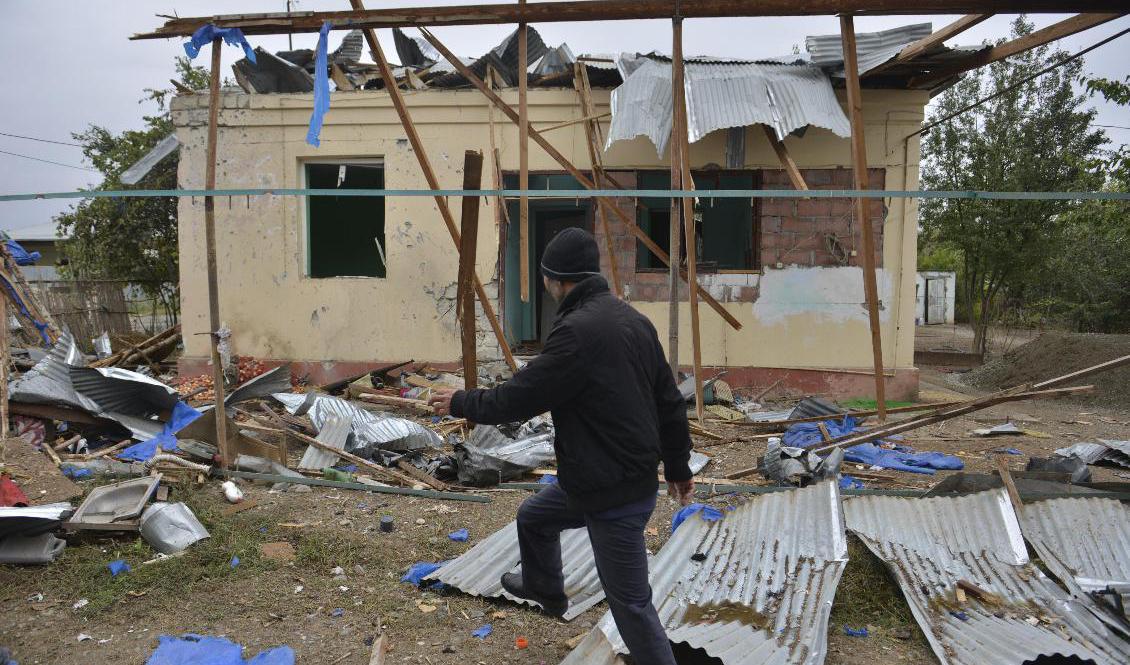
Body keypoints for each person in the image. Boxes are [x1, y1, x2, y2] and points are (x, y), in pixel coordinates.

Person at [429, 227, 693, 665]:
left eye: (546, 278)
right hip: (598, 480)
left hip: (614, 494)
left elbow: (519, 398)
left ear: (557, 280)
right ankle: (545, 588)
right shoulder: (634, 321)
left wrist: (461, 400)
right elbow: (670, 403)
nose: (545, 286)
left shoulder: (575, 334)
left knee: (630, 605)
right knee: (533, 517)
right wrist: (679, 468)